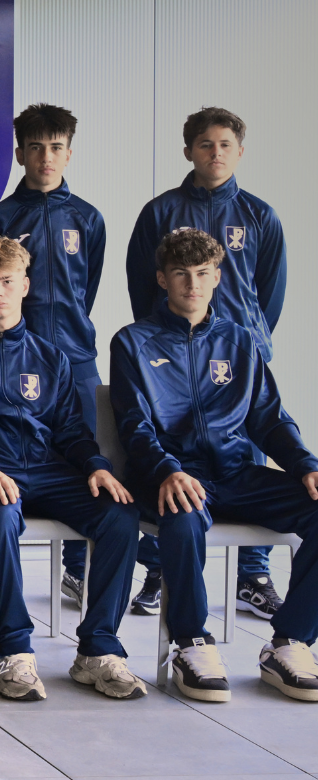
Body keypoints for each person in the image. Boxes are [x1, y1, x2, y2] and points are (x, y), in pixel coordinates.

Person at [0, 236, 145, 701]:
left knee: (119, 514)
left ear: (25, 285)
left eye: (7, 282)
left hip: (48, 470)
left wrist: (96, 466)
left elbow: (71, 430)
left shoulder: (52, 357)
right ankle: (13, 650)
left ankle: (99, 649)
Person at [111, 228, 318, 704]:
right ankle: (191, 642)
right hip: (169, 475)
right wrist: (167, 470)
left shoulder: (239, 341)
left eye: (203, 273)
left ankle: (289, 642)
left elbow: (269, 418)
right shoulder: (133, 342)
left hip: (235, 473)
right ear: (162, 279)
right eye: (181, 274)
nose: (193, 284)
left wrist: (305, 465)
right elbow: (134, 426)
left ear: (218, 277)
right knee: (182, 515)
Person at [125, 107, 286, 620]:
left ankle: (253, 575)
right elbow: (141, 284)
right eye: (205, 144)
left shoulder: (259, 215)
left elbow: (270, 292)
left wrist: (245, 340)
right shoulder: (161, 211)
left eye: (225, 145)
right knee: (168, 458)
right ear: (188, 150)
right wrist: (162, 346)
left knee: (245, 456)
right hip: (172, 353)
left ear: (240, 152)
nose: (215, 153)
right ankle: (159, 569)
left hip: (237, 356)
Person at [0, 104, 118, 616]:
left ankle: (77, 572)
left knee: (84, 460)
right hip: (13, 357)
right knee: (5, 458)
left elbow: (89, 285)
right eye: (36, 147)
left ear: (69, 153)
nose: (46, 157)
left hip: (76, 358)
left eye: (56, 147)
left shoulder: (87, 218)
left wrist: (71, 338)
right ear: (20, 154)